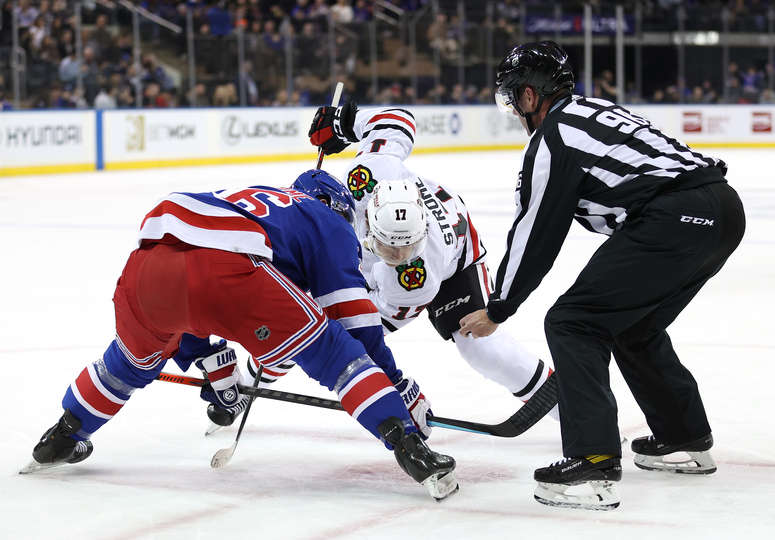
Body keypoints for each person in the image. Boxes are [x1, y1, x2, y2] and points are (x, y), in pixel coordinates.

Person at [24, 170, 459, 501]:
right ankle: (407, 443)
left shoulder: (255, 201)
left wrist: (213, 362)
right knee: (335, 354)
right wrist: (398, 391)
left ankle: (64, 433)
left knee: (126, 362)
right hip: (228, 273)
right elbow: (355, 324)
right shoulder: (329, 221)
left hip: (146, 266)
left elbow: (190, 301)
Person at [458, 41, 746, 510]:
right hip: (721, 208)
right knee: (634, 325)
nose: (512, 109)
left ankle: (592, 462)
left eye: (513, 98)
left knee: (574, 321)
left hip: (673, 217)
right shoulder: (594, 110)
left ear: (531, 96)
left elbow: (536, 232)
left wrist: (499, 306)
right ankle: (684, 439)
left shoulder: (554, 138)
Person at [307, 103, 559, 435]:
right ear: (368, 219)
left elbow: (365, 326)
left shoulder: (415, 276)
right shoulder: (369, 173)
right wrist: (346, 123)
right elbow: (396, 119)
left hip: (456, 254)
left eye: (407, 247)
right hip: (376, 241)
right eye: (390, 247)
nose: (400, 256)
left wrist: (308, 333)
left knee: (478, 344)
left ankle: (570, 407)